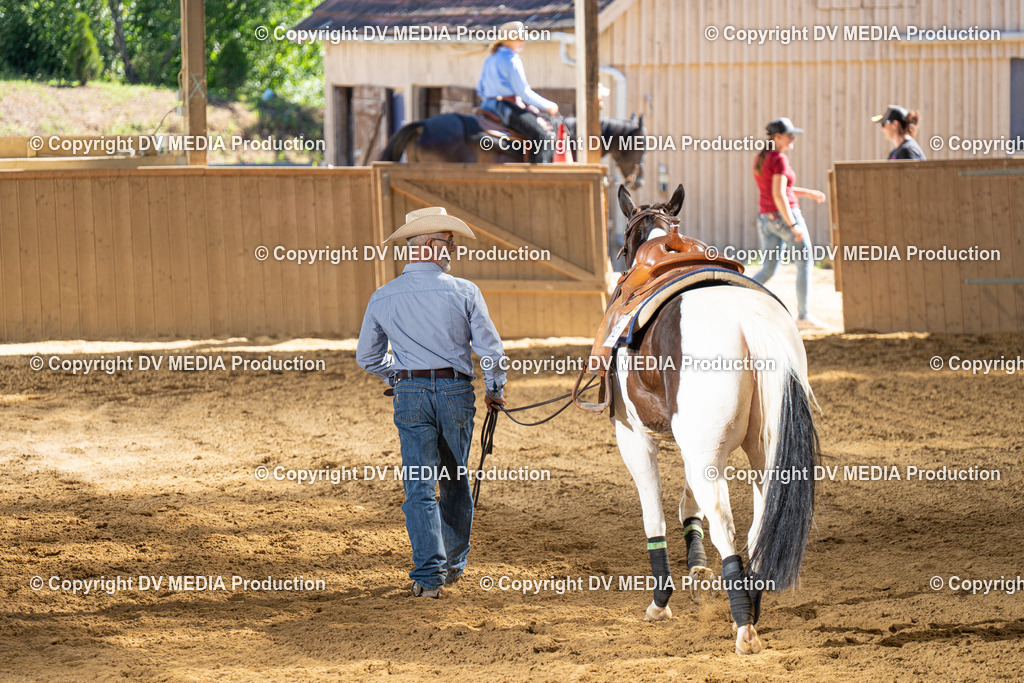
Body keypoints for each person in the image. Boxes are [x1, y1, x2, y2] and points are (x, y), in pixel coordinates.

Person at [357, 206, 507, 599]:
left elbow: (367, 357)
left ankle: (428, 576)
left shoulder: (383, 296)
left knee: (419, 485)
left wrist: (398, 376)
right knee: (455, 480)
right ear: (429, 245)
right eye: (448, 243)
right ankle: (452, 565)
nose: (452, 250)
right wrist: (495, 388)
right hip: (456, 392)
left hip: (411, 394)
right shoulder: (464, 291)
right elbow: (490, 350)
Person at [751, 117, 827, 329]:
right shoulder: (779, 159)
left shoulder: (762, 158)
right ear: (778, 137)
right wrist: (793, 225)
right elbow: (779, 194)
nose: (793, 138)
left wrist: (808, 193)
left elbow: (778, 190)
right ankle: (804, 316)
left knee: (768, 269)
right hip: (784, 217)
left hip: (766, 218)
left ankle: (736, 293)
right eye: (790, 135)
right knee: (805, 263)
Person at [477, 20, 558, 163]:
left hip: (486, 107)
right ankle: (537, 173)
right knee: (542, 136)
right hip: (505, 108)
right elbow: (524, 92)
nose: (523, 41)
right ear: (508, 40)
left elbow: (480, 89)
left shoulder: (490, 58)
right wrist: (548, 105)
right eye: (519, 38)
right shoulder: (512, 59)